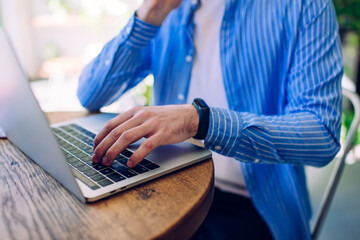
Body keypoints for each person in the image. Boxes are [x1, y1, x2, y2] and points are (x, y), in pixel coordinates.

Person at [77, 0, 343, 239]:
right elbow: (90, 94)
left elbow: (322, 135)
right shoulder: (169, 9)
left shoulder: (306, 6)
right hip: (164, 185)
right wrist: (149, 13)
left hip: (249, 205)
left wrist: (201, 121)